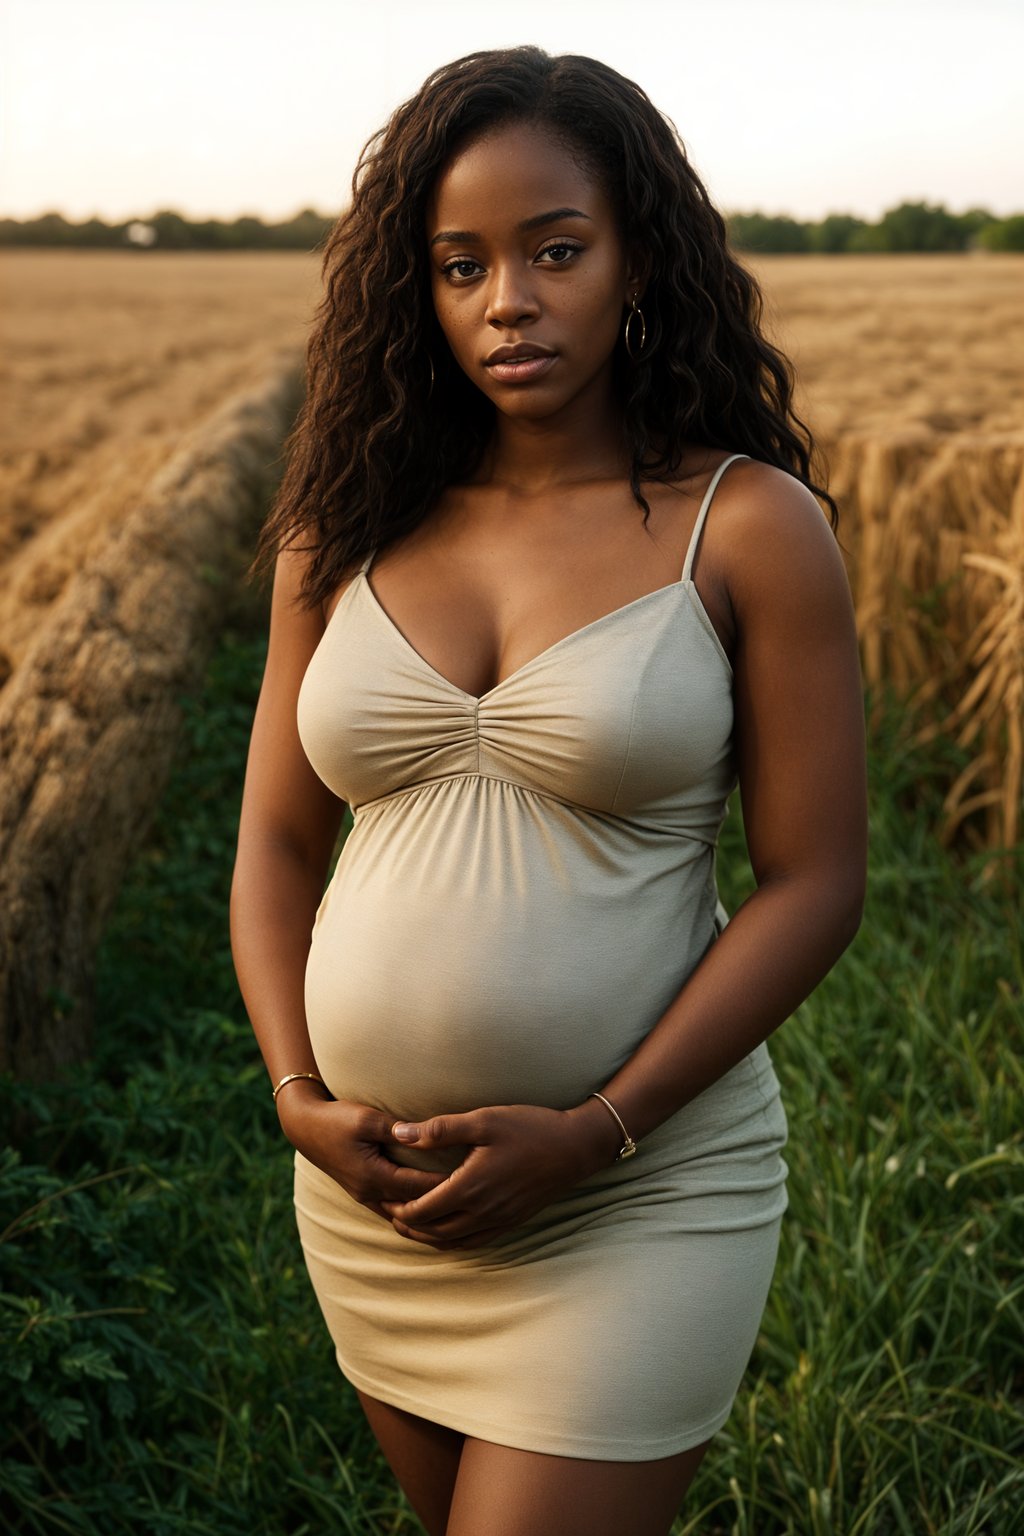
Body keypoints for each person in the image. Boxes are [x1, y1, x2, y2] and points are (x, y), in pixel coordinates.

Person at [230, 44, 867, 1536]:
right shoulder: (343, 534)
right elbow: (269, 839)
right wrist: (297, 1099)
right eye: (460, 265)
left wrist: (598, 1128)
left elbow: (819, 883)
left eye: (555, 250)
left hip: (639, 1186)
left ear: (635, 260)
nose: (506, 299)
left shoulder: (749, 526)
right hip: (378, 1205)